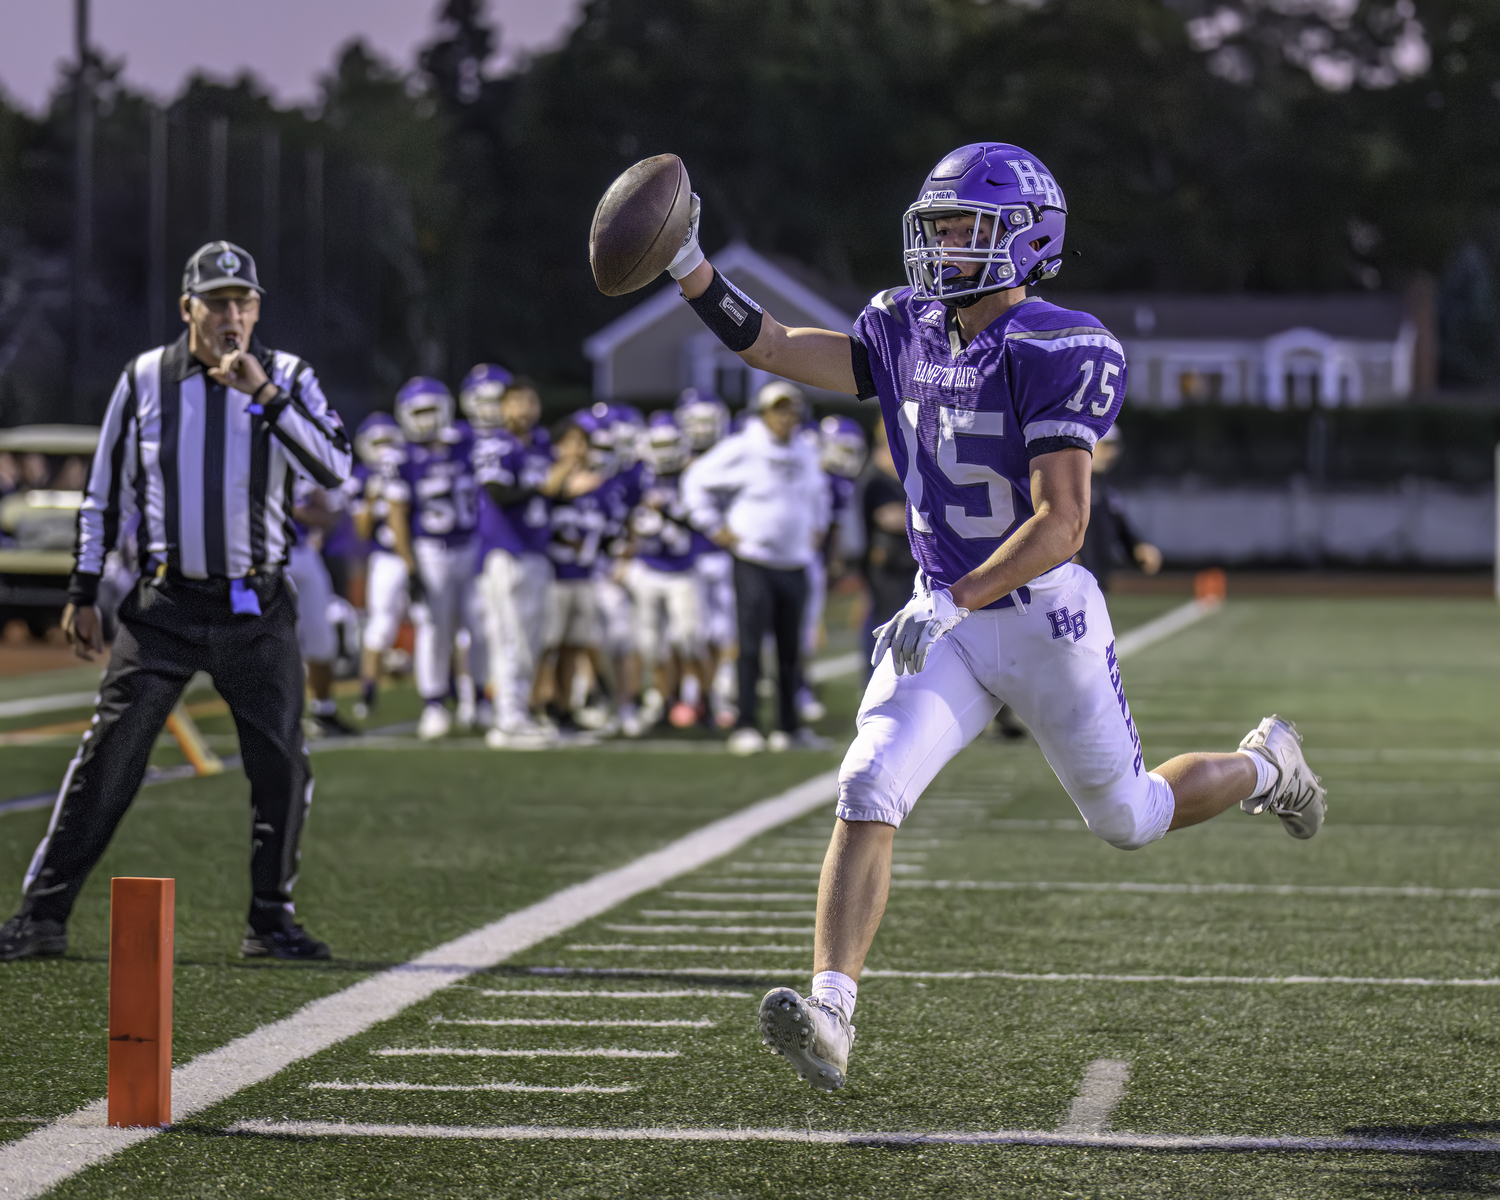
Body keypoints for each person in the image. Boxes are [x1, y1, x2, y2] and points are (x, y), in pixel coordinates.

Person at [659, 142, 1328, 1089]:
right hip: (946, 616)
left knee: (1131, 818)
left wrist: (955, 599)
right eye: (934, 227)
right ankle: (833, 1014)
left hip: (1038, 615)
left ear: (1029, 238)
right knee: (868, 783)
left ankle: (1269, 764)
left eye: (965, 228)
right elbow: (773, 346)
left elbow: (1065, 522)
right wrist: (691, 270)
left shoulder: (1061, 344)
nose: (942, 247)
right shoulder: (902, 324)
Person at [0, 240, 350, 962]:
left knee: (282, 765)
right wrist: (83, 587)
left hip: (256, 603)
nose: (231, 315)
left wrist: (263, 395)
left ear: (256, 310)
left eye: (242, 302)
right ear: (187, 307)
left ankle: (270, 919)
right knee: (108, 758)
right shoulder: (144, 379)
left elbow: (335, 469)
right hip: (165, 605)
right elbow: (103, 495)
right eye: (216, 302)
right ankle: (41, 915)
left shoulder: (287, 376)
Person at [682, 381, 830, 755]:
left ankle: (787, 727)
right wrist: (714, 527)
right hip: (754, 560)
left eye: (791, 409)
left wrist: (818, 527)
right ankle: (746, 723)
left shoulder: (806, 450)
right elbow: (694, 480)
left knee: (790, 649)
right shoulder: (742, 448)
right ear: (763, 414)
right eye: (778, 410)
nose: (786, 417)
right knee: (748, 645)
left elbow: (819, 494)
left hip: (795, 561)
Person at [465, 369, 565, 748]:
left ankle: (518, 710)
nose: (525, 409)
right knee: (510, 637)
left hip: (536, 550)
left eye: (530, 401)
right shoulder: (495, 444)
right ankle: (506, 718)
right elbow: (498, 493)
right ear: (503, 407)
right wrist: (545, 485)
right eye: (517, 402)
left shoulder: (541, 444)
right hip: (505, 552)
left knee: (532, 639)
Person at [390, 377, 480, 741]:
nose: (425, 419)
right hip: (432, 550)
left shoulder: (467, 444)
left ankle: (480, 698)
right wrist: (409, 566)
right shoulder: (402, 456)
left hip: (471, 545)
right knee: (434, 628)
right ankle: (434, 703)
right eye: (419, 412)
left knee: (480, 628)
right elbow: (397, 514)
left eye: (431, 410)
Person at [627, 411, 714, 728]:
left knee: (691, 639)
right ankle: (663, 701)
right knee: (651, 645)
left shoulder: (693, 474)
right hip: (648, 567)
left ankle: (706, 701)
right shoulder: (636, 474)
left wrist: (665, 511)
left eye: (670, 444)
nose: (664, 451)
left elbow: (698, 519)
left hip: (682, 569)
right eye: (658, 444)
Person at [350, 412, 412, 719]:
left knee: (438, 625)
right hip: (386, 558)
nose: (385, 448)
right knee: (380, 625)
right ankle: (368, 692)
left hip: (421, 554)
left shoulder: (410, 465)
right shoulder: (362, 478)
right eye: (378, 442)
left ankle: (455, 693)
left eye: (389, 440)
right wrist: (373, 497)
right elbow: (361, 531)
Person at [1077, 425, 1162, 590]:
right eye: (1105, 446)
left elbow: (1118, 525)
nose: (1111, 453)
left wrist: (1137, 546)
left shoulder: (1105, 486)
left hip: (1097, 578)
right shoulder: (1072, 482)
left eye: (1113, 447)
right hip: (1074, 580)